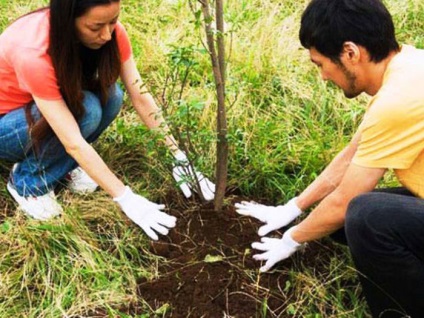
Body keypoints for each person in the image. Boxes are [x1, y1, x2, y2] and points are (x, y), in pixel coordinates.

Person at [236, 0, 424, 317]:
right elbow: (352, 154)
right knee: (345, 221)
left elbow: (345, 199)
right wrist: (293, 208)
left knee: (365, 217)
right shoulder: (407, 67)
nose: (323, 77)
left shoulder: (398, 101)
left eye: (321, 64)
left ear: (350, 53)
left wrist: (291, 240)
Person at [0, 0, 215, 241]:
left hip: (38, 110)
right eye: (95, 27)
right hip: (5, 125)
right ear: (68, 21)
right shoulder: (33, 53)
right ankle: (28, 182)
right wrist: (126, 198)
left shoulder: (111, 33)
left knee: (111, 97)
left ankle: (60, 166)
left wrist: (178, 156)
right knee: (88, 110)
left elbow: (140, 96)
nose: (106, 34)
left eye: (113, 21)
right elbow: (73, 141)